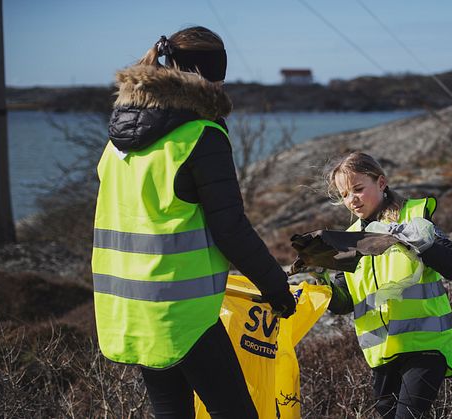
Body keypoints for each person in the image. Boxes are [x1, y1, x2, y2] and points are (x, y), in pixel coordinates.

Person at [91, 26, 295, 419]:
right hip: (183, 311)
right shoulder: (201, 134)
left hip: (130, 304)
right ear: (211, 77)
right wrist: (275, 286)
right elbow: (230, 227)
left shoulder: (118, 140)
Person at [322, 152, 452, 418]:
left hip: (424, 347)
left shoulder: (414, 219)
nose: (351, 200)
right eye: (345, 194)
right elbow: (344, 303)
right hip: (382, 355)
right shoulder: (348, 241)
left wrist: (423, 243)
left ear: (381, 183)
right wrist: (319, 281)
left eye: (358, 189)